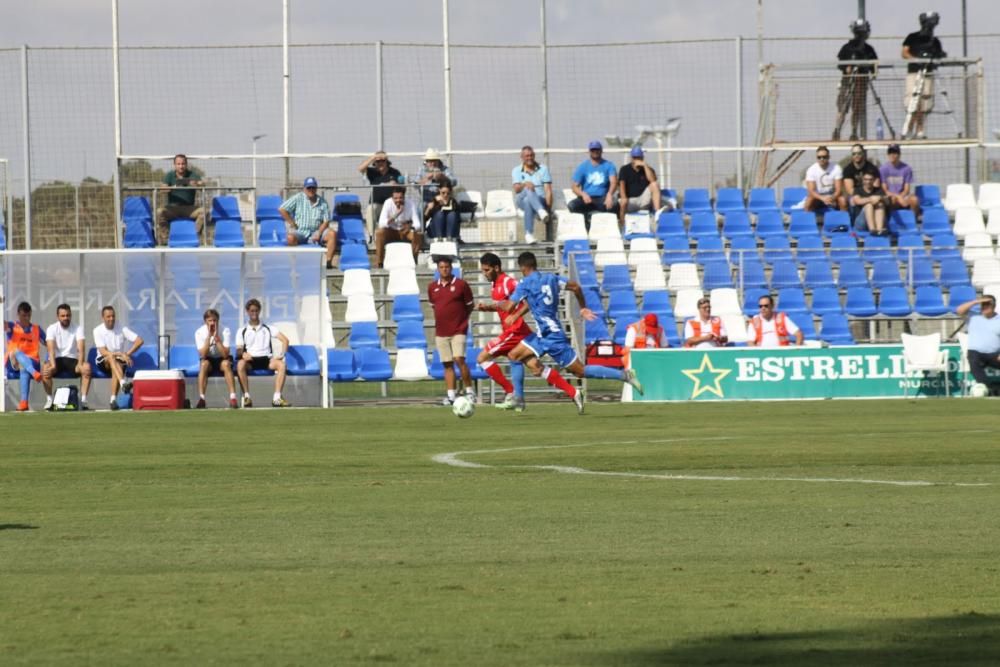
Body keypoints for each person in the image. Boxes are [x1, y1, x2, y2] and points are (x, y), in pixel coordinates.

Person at [502, 251, 644, 414]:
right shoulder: (552, 278)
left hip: (550, 337)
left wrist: (487, 306)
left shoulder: (525, 283)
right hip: (547, 334)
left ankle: (624, 375)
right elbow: (575, 287)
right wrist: (583, 307)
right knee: (516, 356)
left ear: (522, 268)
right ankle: (519, 399)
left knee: (580, 371)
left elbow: (508, 306)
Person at [474, 252, 529, 411]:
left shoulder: (508, 282)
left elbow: (527, 301)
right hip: (513, 330)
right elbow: (503, 307)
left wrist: (516, 316)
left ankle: (511, 392)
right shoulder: (495, 284)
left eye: (486, 270)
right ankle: (573, 392)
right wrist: (487, 308)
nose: (484, 274)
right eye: (483, 271)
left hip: (514, 330)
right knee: (533, 366)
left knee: (482, 357)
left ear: (496, 268)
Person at [428, 257, 476, 406]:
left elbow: (469, 305)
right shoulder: (432, 287)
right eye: (441, 267)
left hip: (458, 329)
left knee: (459, 359)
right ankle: (451, 396)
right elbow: (434, 306)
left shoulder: (461, 285)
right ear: (438, 269)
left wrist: (462, 320)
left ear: (451, 268)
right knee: (447, 364)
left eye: (447, 267)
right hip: (441, 331)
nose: (444, 270)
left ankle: (470, 392)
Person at [235, 298, 291, 408]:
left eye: (256, 310)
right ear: (247, 312)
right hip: (251, 361)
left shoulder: (268, 328)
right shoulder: (242, 330)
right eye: (252, 310)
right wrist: (243, 354)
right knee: (240, 364)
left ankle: (277, 398)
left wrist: (282, 355)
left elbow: (285, 340)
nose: (254, 313)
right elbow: (239, 349)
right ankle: (247, 397)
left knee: (282, 365)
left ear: (259, 311)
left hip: (266, 359)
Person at [902, 11, 946, 140]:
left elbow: (939, 55)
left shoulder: (935, 41)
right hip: (914, 72)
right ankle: (910, 128)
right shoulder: (912, 37)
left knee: (925, 102)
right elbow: (904, 53)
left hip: (928, 74)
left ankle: (920, 129)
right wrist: (917, 60)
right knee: (913, 101)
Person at [833, 19, 879, 141]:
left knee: (857, 108)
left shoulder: (869, 49)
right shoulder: (847, 47)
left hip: (861, 82)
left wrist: (872, 71)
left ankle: (854, 131)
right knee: (842, 107)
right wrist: (847, 68)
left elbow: (874, 64)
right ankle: (837, 129)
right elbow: (840, 64)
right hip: (847, 82)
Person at [92, 305, 144, 411]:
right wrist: (121, 354)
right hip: (103, 360)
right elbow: (103, 351)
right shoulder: (97, 330)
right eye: (108, 317)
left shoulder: (121, 328)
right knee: (111, 358)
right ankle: (123, 383)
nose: (111, 319)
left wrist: (127, 354)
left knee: (116, 366)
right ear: (103, 318)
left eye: (113, 316)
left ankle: (113, 400)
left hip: (118, 361)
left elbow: (139, 341)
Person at [42, 303, 92, 411]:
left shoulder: (78, 328)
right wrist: (53, 365)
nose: (66, 318)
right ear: (58, 316)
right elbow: (50, 349)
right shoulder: (51, 328)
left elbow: (81, 348)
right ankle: (49, 400)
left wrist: (80, 364)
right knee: (45, 369)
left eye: (68, 315)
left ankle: (83, 400)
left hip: (73, 361)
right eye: (63, 316)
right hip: (57, 360)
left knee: (87, 368)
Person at [279, 177, 337, 270]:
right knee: (290, 238)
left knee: (332, 234)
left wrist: (319, 232)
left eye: (313, 188)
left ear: (316, 188)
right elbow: (282, 209)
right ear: (304, 188)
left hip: (316, 232)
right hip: (301, 232)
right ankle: (294, 264)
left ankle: (327, 263)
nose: (311, 190)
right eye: (309, 188)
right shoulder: (298, 198)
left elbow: (326, 220)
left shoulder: (323, 202)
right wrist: (292, 222)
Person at [4, 301, 45, 412]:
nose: (26, 318)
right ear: (18, 314)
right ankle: (33, 373)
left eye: (28, 315)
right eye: (24, 315)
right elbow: (2, 324)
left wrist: (48, 359)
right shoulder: (12, 327)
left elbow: (48, 343)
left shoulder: (37, 329)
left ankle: (24, 402)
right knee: (16, 351)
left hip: (33, 362)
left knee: (24, 368)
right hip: (14, 363)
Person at [156, 154, 206, 246]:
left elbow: (202, 184)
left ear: (186, 164)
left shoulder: (192, 174)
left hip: (189, 209)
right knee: (160, 212)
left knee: (203, 212)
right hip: (172, 209)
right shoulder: (170, 175)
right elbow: (162, 189)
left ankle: (194, 235)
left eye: (183, 164)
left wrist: (196, 184)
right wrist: (173, 186)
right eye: (178, 164)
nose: (181, 166)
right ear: (174, 165)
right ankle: (165, 239)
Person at [194, 308, 238, 409]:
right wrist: (209, 337)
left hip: (221, 359)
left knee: (226, 364)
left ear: (218, 320)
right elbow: (203, 355)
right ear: (205, 321)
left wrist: (217, 338)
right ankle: (202, 398)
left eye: (215, 320)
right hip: (208, 359)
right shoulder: (199, 332)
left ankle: (233, 398)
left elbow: (225, 355)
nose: (213, 323)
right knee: (204, 365)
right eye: (210, 320)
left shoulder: (225, 330)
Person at [957, 295, 1000, 395]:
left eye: (987, 304)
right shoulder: (973, 316)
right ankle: (988, 387)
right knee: (973, 359)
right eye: (982, 304)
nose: (984, 307)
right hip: (976, 353)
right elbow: (959, 310)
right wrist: (975, 302)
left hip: (994, 354)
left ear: (993, 306)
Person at [567, 140, 619, 225]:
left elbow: (613, 182)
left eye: (597, 149)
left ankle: (606, 225)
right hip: (587, 199)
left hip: (602, 198)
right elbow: (574, 187)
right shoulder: (583, 166)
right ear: (589, 151)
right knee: (572, 205)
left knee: (615, 204)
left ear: (601, 151)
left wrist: (609, 194)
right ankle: (585, 222)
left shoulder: (609, 165)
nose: (595, 152)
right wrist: (583, 194)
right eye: (593, 150)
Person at [511, 145, 553, 245]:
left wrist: (548, 207)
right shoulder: (516, 170)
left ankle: (528, 234)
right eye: (527, 156)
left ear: (534, 156)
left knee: (527, 201)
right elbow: (516, 189)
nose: (529, 158)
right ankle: (540, 211)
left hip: (539, 199)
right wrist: (525, 183)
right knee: (527, 188)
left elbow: (548, 190)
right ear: (522, 157)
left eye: (531, 155)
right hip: (521, 198)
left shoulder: (543, 169)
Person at [358, 150, 405, 234]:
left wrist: (396, 184)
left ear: (387, 161)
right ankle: (372, 237)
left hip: (391, 204)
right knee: (370, 209)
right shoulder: (372, 172)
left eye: (382, 160)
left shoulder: (395, 172)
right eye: (378, 161)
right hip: (377, 204)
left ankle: (395, 234)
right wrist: (373, 157)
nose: (380, 163)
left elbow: (404, 187)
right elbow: (360, 168)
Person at [375, 186, 423, 268]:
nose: (398, 200)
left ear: (404, 197)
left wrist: (411, 227)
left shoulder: (410, 203)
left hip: (405, 232)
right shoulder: (388, 203)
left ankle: (413, 260)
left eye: (400, 198)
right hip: (391, 231)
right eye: (395, 198)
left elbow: (418, 224)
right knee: (379, 233)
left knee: (418, 234)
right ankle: (379, 262)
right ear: (392, 198)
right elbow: (381, 223)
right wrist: (396, 214)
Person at [617, 145, 664, 226]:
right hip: (630, 201)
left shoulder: (648, 169)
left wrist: (645, 166)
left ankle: (657, 214)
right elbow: (621, 185)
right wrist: (624, 198)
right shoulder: (624, 169)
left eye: (639, 157)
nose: (637, 159)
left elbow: (652, 180)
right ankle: (622, 223)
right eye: (635, 157)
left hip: (643, 200)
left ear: (642, 157)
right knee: (623, 201)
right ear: (631, 158)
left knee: (655, 184)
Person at [879, 144, 920, 217]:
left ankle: (913, 221)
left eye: (894, 152)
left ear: (899, 154)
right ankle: (890, 221)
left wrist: (901, 197)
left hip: (903, 196)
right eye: (890, 152)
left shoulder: (907, 168)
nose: (892, 155)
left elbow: (906, 189)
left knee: (914, 199)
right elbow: (885, 190)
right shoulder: (883, 169)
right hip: (890, 197)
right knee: (893, 200)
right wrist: (898, 197)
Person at [803, 146, 844, 213]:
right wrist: (822, 198)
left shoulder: (836, 168)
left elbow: (838, 190)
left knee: (843, 201)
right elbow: (811, 191)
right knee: (808, 202)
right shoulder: (811, 170)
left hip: (833, 196)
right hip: (818, 197)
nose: (822, 159)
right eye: (819, 157)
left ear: (829, 157)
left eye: (824, 157)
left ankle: (843, 221)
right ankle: (808, 222)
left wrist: (831, 198)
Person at [841, 144, 881, 209]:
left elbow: (876, 186)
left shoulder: (872, 168)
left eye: (859, 153)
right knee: (848, 201)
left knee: (877, 201)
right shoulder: (848, 169)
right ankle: (850, 219)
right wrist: (860, 198)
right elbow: (850, 190)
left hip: (870, 194)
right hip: (855, 195)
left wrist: (867, 198)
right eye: (854, 154)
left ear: (863, 154)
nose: (856, 155)